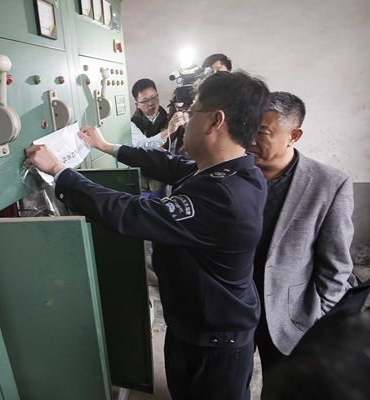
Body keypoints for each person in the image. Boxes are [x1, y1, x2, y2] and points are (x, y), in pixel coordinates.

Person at [26, 71, 270, 400]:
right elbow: (166, 163)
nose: (185, 120)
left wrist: (60, 172)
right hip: (194, 326)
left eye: (193, 111)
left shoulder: (225, 196)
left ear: (216, 121)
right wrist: (107, 147)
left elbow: (132, 213)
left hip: (214, 343)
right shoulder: (228, 170)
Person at [247, 91, 354, 395]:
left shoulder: (329, 184)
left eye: (261, 131)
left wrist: (315, 318)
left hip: (288, 317)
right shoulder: (236, 173)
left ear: (293, 136)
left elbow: (336, 267)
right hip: (236, 311)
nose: (250, 139)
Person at [130, 78, 185, 198]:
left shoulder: (169, 118)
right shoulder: (133, 123)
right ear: (137, 104)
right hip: (141, 183)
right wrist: (168, 131)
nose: (151, 103)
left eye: (154, 97)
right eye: (145, 100)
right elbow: (142, 145)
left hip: (161, 183)